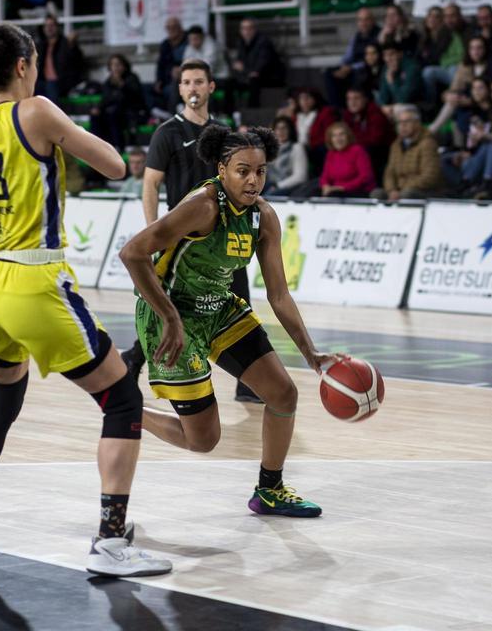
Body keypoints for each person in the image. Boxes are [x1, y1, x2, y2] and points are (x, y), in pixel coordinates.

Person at [0, 23, 170, 576]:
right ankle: (110, 543)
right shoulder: (36, 113)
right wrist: (63, 135)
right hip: (35, 280)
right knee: (122, 398)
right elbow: (116, 165)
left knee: (4, 398)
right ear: (25, 66)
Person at [119, 126, 337, 517]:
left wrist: (310, 352)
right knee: (203, 441)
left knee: (284, 393)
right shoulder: (202, 206)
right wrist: (169, 315)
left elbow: (279, 294)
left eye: (261, 171)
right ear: (222, 169)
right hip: (169, 314)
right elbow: (132, 253)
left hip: (218, 306)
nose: (253, 180)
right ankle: (127, 409)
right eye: (242, 170)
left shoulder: (264, 217)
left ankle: (269, 490)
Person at [130, 60, 261, 403]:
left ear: (210, 87)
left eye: (198, 82)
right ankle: (132, 362)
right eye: (186, 82)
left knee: (240, 298)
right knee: (174, 305)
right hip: (183, 239)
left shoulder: (224, 133)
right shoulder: (167, 133)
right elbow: (151, 183)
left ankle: (248, 383)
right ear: (180, 89)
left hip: (224, 233)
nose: (192, 88)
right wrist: (153, 231)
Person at [376, 104, 445, 200]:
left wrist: (401, 188)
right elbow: (389, 173)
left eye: (407, 121)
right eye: (399, 122)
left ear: (417, 123)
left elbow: (430, 177)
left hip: (423, 191)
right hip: (399, 190)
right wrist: (391, 190)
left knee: (407, 194)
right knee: (377, 194)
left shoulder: (428, 143)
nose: (402, 126)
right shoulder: (395, 145)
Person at [265, 117, 309, 196]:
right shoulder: (269, 149)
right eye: (278, 128)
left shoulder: (297, 147)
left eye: (284, 128)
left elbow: (300, 177)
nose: (281, 131)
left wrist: (278, 185)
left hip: (289, 187)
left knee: (269, 196)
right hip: (271, 185)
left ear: (290, 130)